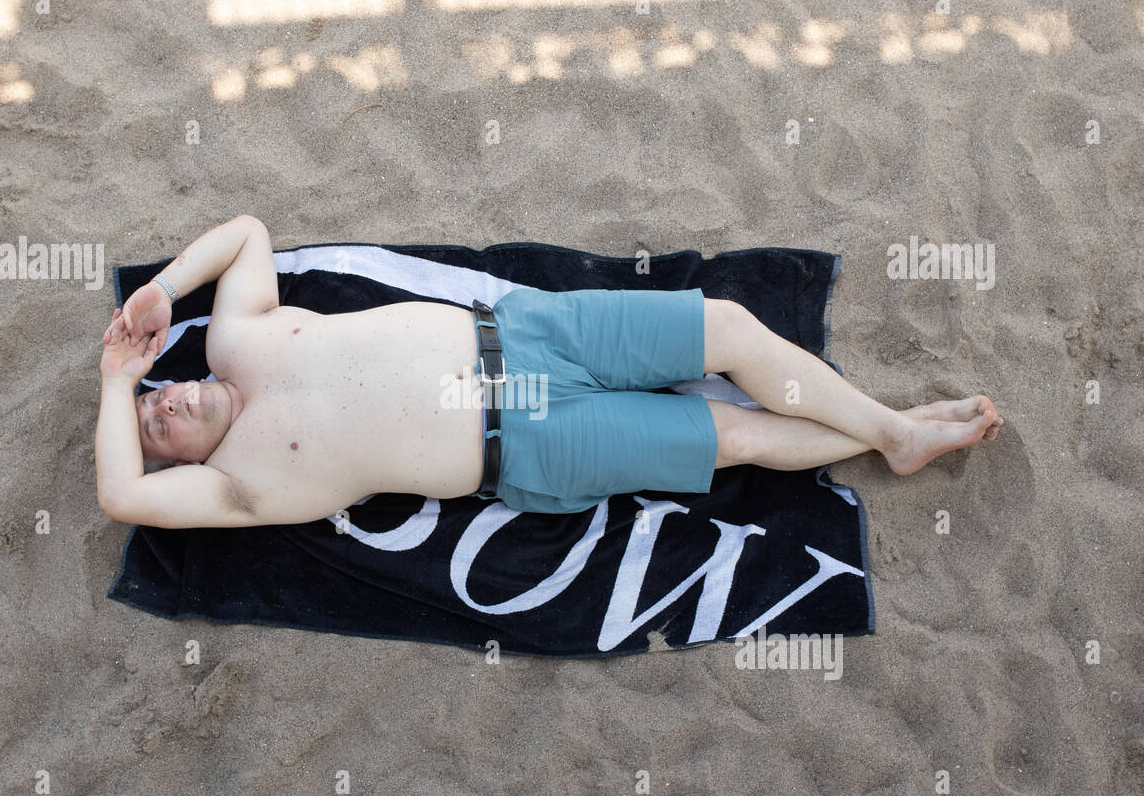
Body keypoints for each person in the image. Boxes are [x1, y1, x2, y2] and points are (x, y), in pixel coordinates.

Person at [96, 216, 1002, 528]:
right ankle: (902, 431)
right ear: (185, 463)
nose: (167, 402)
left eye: (153, 394)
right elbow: (123, 501)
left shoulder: (235, 341)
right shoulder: (245, 483)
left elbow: (247, 233)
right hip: (528, 442)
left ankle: (894, 430)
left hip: (526, 339)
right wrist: (111, 388)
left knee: (724, 326)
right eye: (160, 429)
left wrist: (167, 292)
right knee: (729, 438)